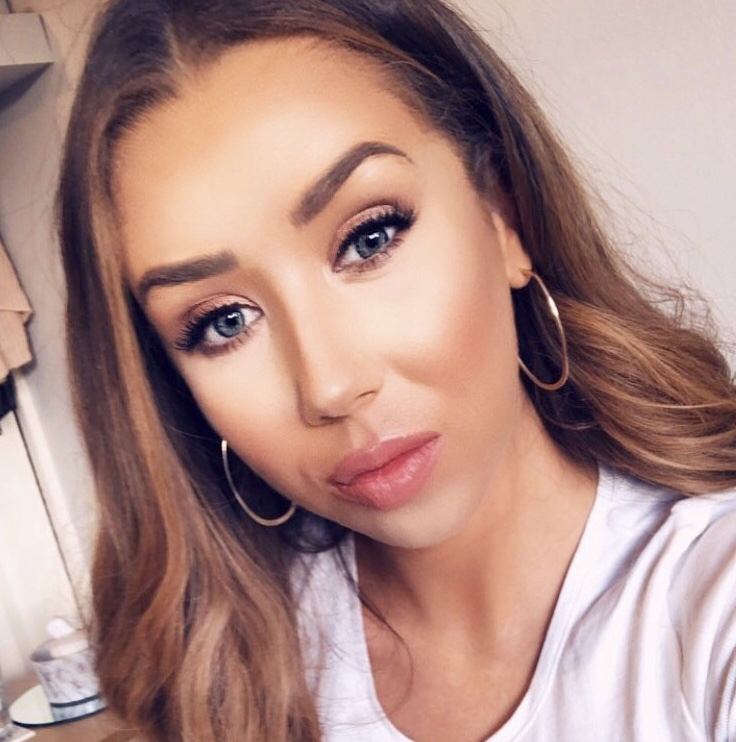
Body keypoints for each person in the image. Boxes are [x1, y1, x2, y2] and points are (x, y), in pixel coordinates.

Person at [56, 0, 736, 740]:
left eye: (370, 238)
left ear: (505, 216)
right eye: (223, 322)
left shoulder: (711, 602)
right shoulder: (225, 667)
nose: (329, 386)